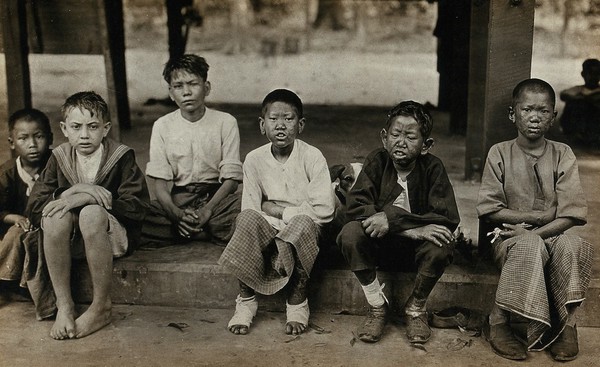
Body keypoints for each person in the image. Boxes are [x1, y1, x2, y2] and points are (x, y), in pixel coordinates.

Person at [477, 78, 593, 362]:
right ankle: (498, 321)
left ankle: (567, 324)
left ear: (553, 116)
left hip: (549, 234)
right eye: (527, 109)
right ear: (512, 113)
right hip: (507, 237)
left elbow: (572, 214)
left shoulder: (562, 153)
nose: (534, 118)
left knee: (571, 245)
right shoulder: (499, 152)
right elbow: (490, 208)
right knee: (529, 247)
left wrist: (534, 232)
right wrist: (534, 218)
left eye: (543, 111)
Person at [26, 91, 149, 340]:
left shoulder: (121, 156)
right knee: (53, 215)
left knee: (91, 213)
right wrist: (75, 190)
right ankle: (65, 305)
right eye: (76, 127)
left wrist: (91, 198)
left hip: (110, 238)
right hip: (70, 241)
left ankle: (101, 305)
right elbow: (34, 206)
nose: (84, 135)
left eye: (93, 127)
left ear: (105, 129)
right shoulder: (59, 157)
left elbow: (137, 207)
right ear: (64, 129)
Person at [336, 101, 460, 344]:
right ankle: (376, 305)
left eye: (411, 137)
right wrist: (411, 229)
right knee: (350, 233)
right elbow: (357, 207)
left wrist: (391, 219)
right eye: (395, 134)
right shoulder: (377, 161)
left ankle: (415, 307)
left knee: (442, 240)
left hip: (417, 253)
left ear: (426, 145)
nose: (401, 142)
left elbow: (445, 216)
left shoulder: (433, 168)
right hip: (379, 247)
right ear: (384, 138)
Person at [218, 89, 335, 336]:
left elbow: (324, 211)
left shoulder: (312, 156)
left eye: (289, 119)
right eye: (273, 119)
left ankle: (296, 302)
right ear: (263, 125)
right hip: (269, 231)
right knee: (245, 218)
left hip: (305, 233)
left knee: (303, 222)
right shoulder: (253, 159)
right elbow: (251, 207)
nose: (280, 126)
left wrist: (280, 211)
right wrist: (268, 216)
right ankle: (246, 302)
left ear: (300, 124)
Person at [143, 54, 242, 245]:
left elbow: (231, 180)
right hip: (180, 201)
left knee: (247, 208)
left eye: (193, 84)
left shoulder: (225, 122)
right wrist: (176, 214)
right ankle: (204, 231)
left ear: (206, 88)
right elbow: (160, 185)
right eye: (178, 86)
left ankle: (188, 232)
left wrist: (208, 210)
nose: (186, 92)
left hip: (218, 201)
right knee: (137, 213)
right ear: (171, 93)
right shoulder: (162, 126)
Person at [0, 109, 52, 307]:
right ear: (12, 143)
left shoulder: (56, 166)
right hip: (13, 233)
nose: (32, 144)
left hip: (46, 231)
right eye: (23, 138)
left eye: (39, 136)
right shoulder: (6, 174)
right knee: (14, 234)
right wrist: (11, 217)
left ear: (50, 137)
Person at [559, 58, 600, 141]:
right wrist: (579, 98)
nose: (593, 77)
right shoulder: (579, 89)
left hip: (595, 123)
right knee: (575, 103)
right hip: (581, 122)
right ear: (583, 74)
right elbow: (563, 95)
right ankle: (575, 132)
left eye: (597, 74)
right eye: (590, 73)